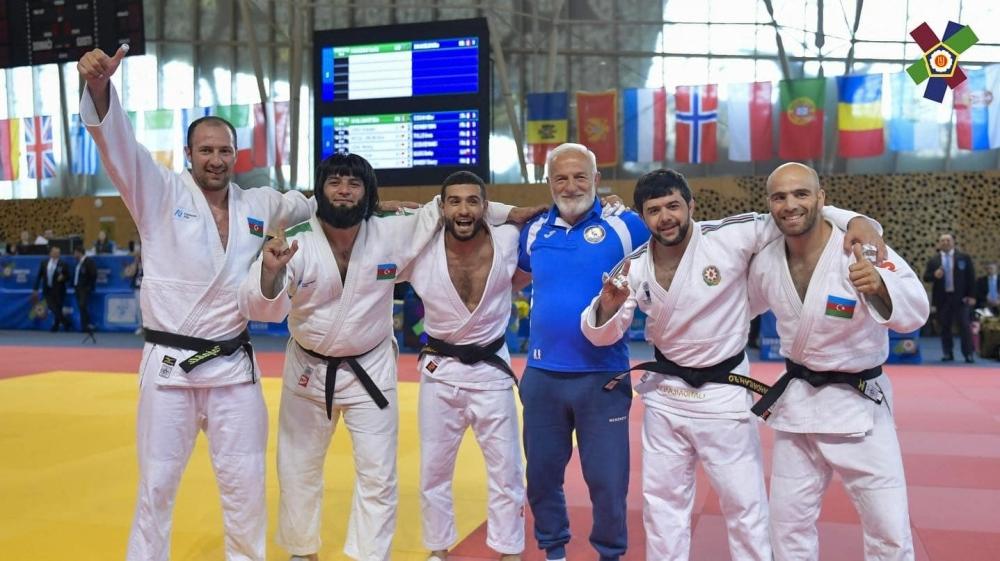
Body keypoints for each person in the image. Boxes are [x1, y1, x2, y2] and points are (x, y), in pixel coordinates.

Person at [78, 45, 315, 561]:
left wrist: (369, 206)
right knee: (156, 489)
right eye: (205, 150)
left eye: (225, 150)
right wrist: (99, 88)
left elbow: (313, 204)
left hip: (233, 369)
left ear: (236, 155)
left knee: (246, 487)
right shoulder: (158, 192)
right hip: (171, 368)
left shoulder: (259, 203)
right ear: (188, 154)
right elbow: (119, 147)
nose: (216, 159)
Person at [237, 154, 536, 561]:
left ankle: (370, 555)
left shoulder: (390, 230)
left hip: (371, 369)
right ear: (320, 191)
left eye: (354, 184)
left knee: (379, 475)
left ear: (368, 193)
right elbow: (261, 308)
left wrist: (511, 211)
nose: (344, 191)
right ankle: (302, 551)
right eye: (335, 182)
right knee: (297, 469)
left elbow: (447, 205)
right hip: (309, 369)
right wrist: (270, 272)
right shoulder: (296, 240)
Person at [580, 168, 883, 561]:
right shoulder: (634, 266)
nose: (666, 217)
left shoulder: (728, 236)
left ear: (691, 205)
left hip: (723, 394)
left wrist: (855, 220)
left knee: (745, 505)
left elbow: (791, 215)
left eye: (673, 206)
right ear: (643, 217)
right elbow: (601, 335)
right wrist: (607, 306)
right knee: (662, 504)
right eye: (654, 211)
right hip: (666, 398)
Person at [747, 162, 929, 561]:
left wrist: (881, 287)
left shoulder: (860, 250)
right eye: (779, 197)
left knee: (889, 529)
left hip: (860, 406)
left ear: (821, 198)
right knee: (787, 526)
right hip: (798, 407)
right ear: (769, 203)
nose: (790, 205)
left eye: (801, 194)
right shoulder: (765, 262)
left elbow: (916, 312)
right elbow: (738, 308)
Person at [514, 143, 648, 561]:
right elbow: (511, 277)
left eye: (580, 177)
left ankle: (610, 553)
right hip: (542, 377)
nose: (570, 186)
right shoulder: (533, 231)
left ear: (597, 180)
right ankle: (554, 549)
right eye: (561, 177)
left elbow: (678, 247)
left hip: (602, 377)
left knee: (608, 480)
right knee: (540, 476)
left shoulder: (627, 226)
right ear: (548, 182)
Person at [399, 171, 525, 561]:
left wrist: (609, 205)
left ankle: (509, 549)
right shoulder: (420, 248)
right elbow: (373, 228)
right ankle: (438, 549)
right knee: (434, 471)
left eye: (473, 201)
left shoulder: (509, 239)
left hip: (491, 371)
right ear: (442, 207)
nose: (464, 209)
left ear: (486, 206)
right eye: (454, 201)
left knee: (507, 470)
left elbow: (554, 220)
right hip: (440, 373)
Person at [923, 232, 976, 362]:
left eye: (948, 240)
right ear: (939, 243)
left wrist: (971, 295)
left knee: (964, 326)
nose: (945, 242)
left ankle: (968, 354)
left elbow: (971, 278)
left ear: (953, 242)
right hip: (942, 299)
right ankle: (948, 353)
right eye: (943, 240)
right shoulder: (934, 260)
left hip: (961, 298)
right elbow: (926, 277)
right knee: (945, 327)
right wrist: (935, 275)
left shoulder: (963, 258)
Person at [34, 245, 72, 332]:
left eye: (58, 253)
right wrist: (35, 288)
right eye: (54, 252)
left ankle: (56, 326)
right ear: (50, 253)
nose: (56, 254)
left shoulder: (63, 264)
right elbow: (39, 276)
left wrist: (63, 277)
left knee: (58, 307)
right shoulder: (44, 263)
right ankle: (66, 322)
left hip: (59, 289)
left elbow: (68, 276)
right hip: (48, 289)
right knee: (52, 307)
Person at [73, 246, 97, 332]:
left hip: (84, 288)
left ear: (79, 253)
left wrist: (89, 286)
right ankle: (84, 326)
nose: (74, 255)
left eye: (75, 253)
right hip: (78, 288)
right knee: (81, 307)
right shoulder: (78, 262)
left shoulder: (89, 261)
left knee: (83, 305)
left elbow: (94, 274)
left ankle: (86, 325)